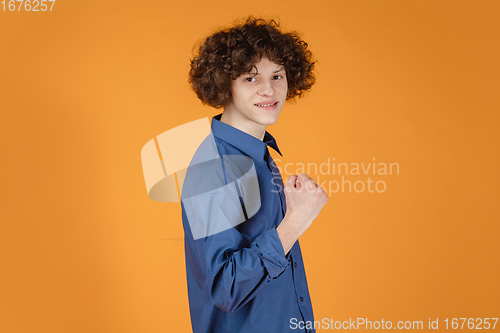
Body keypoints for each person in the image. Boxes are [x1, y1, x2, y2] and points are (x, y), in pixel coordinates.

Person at [181, 17, 328, 333]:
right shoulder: (213, 168)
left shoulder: (259, 156)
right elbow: (226, 288)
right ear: (225, 85)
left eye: (277, 76)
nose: (269, 89)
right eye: (250, 78)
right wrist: (296, 221)